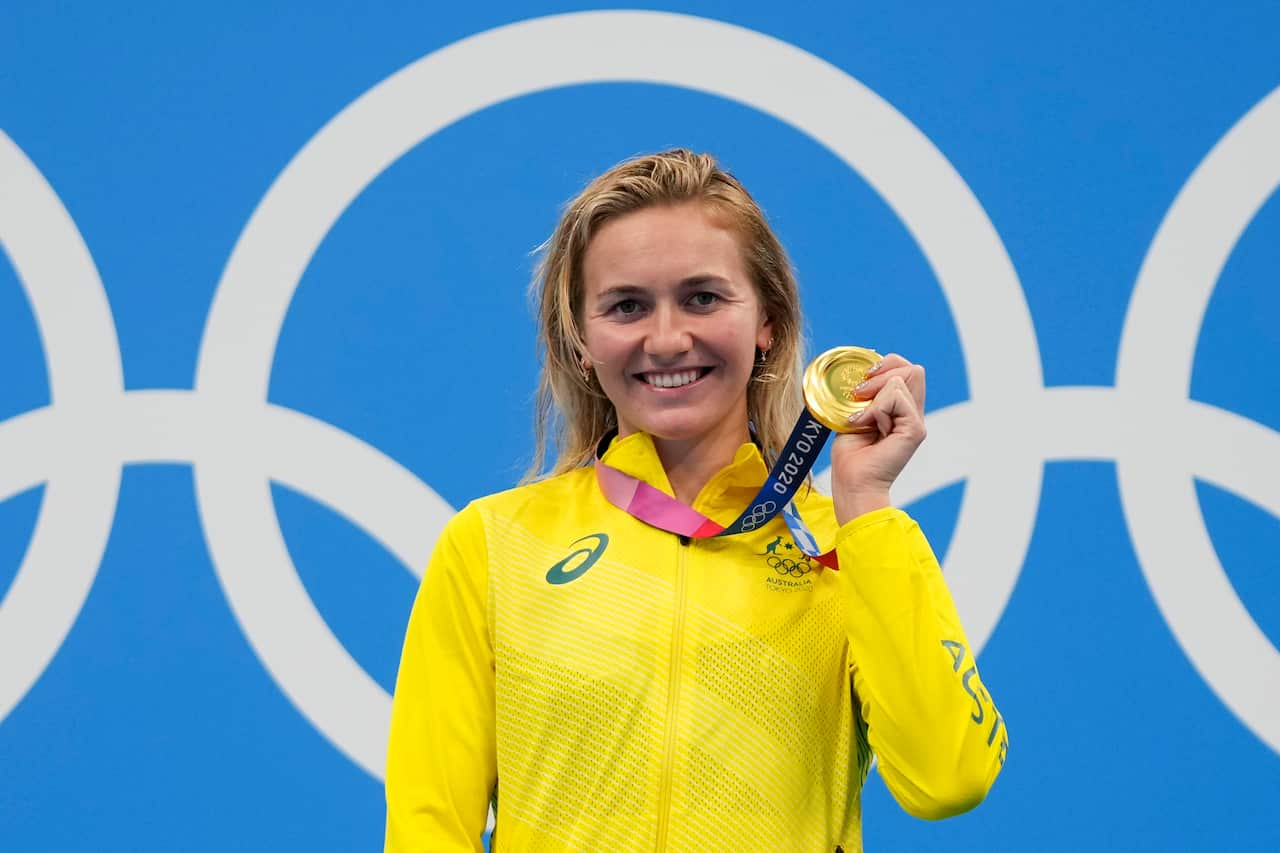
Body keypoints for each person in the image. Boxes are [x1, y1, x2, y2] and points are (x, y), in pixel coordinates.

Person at [385, 149, 1007, 852]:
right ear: (581, 340)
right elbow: (427, 828)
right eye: (627, 306)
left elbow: (949, 777)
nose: (668, 338)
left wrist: (866, 504)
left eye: (703, 297)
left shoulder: (844, 546)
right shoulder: (493, 545)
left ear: (767, 321)